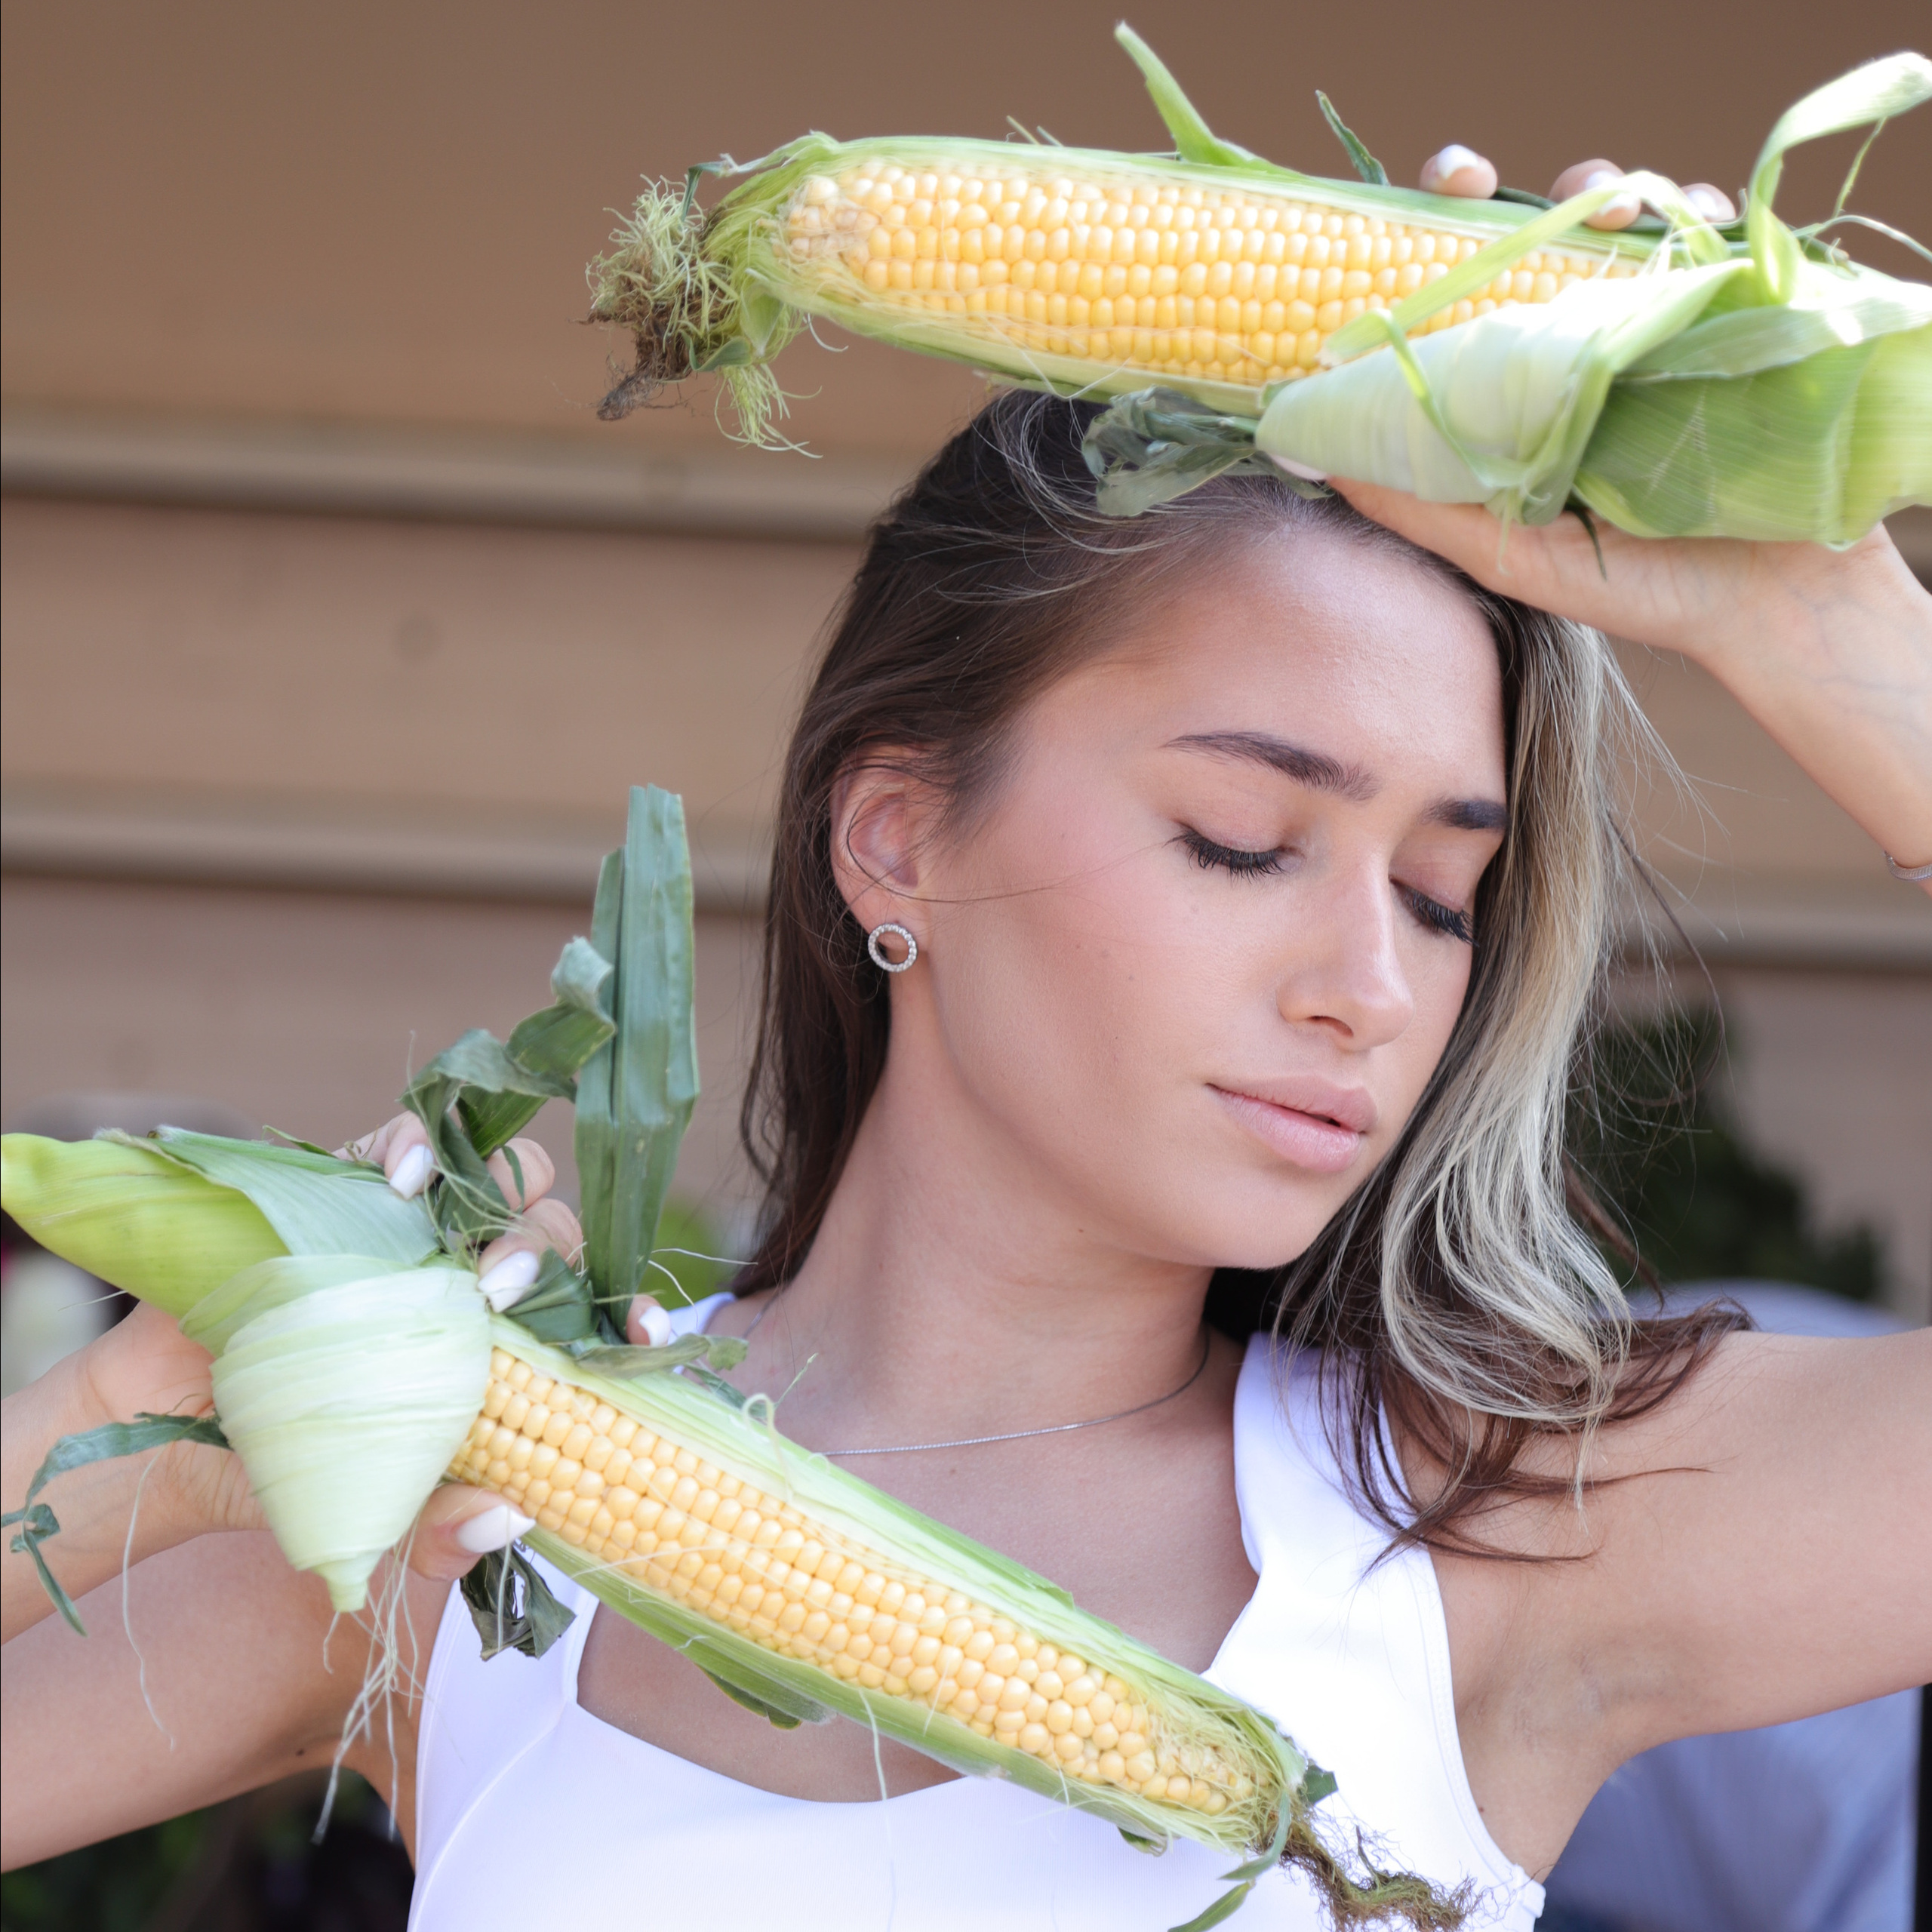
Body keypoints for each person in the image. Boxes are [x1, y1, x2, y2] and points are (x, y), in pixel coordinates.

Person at [3, 141, 1928, 1931]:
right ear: (893, 832)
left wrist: (1820, 623)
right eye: (1243, 841)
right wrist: (140, 1433)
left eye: (1442, 894)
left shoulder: (1491, 1536)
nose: (1374, 978)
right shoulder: (488, 1518)